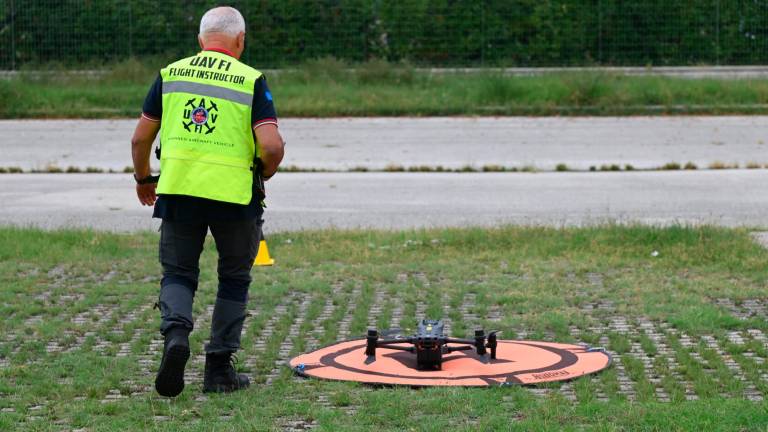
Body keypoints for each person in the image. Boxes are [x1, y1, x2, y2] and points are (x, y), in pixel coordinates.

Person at [130, 6, 284, 397]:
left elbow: (139, 139)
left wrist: (144, 178)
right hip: (235, 199)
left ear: (201, 41)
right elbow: (270, 145)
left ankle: (177, 337)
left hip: (180, 193)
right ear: (240, 40)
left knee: (179, 274)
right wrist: (263, 172)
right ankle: (218, 371)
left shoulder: (171, 75)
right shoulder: (250, 80)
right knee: (233, 279)